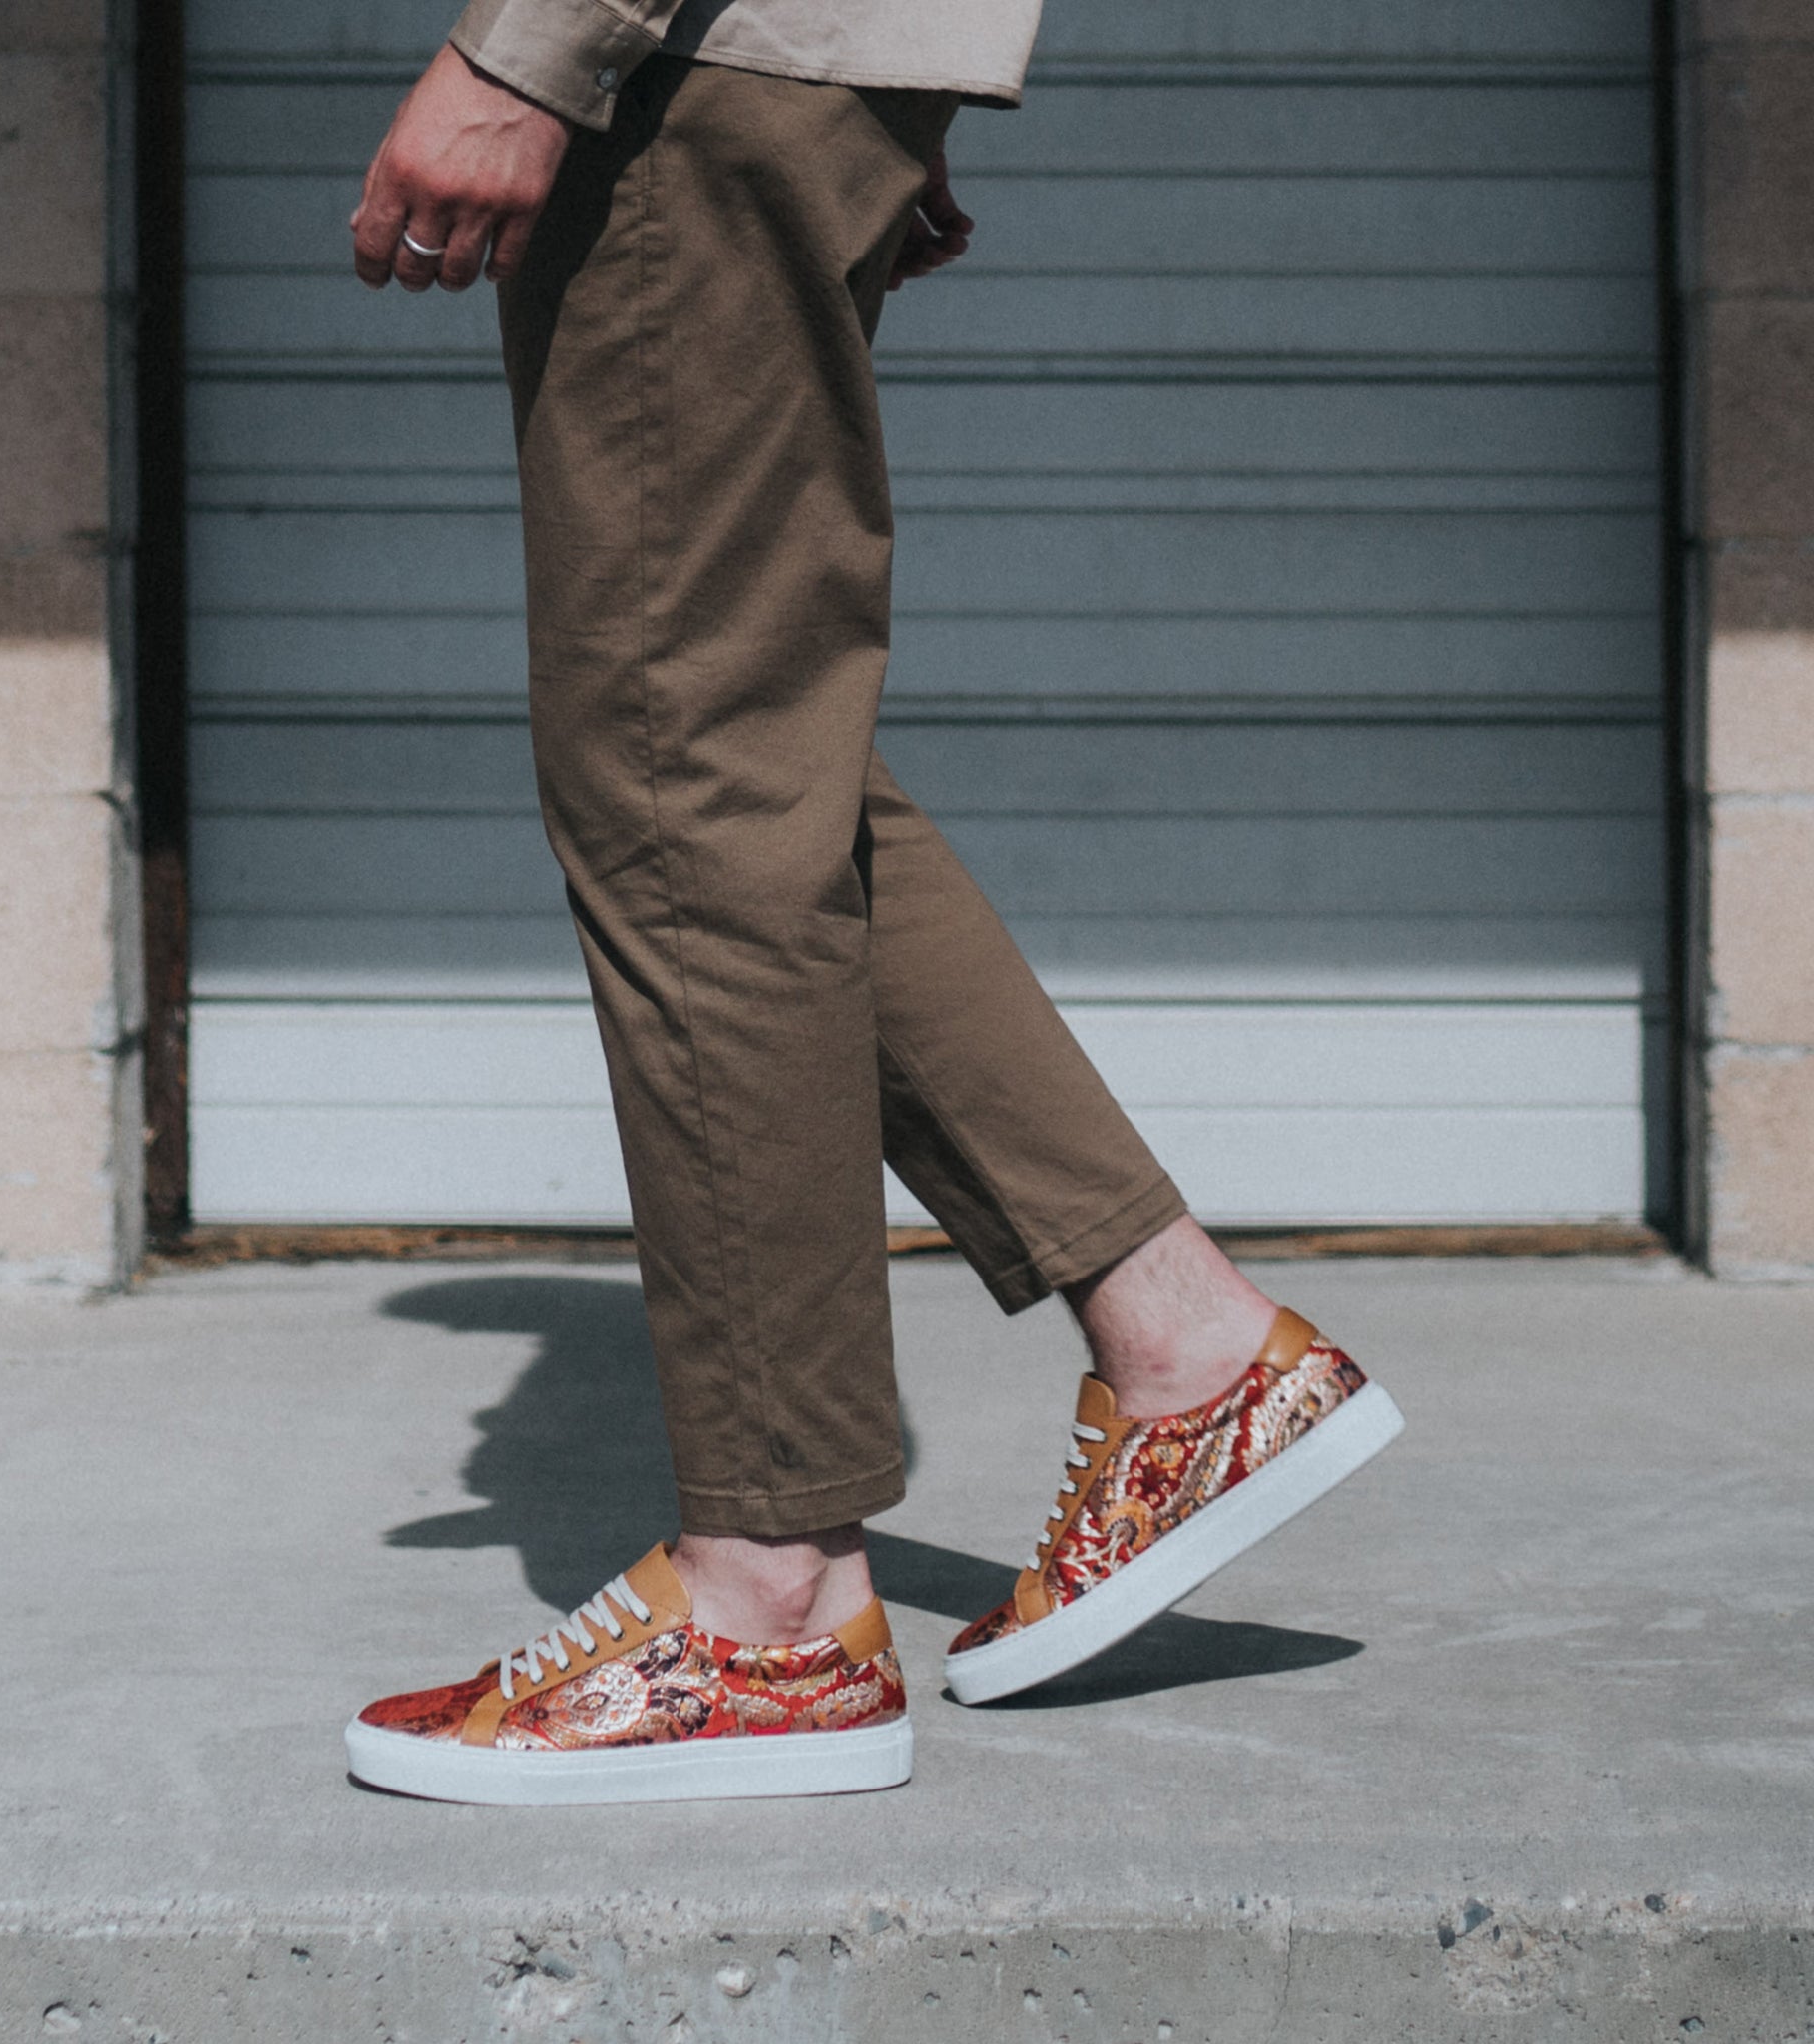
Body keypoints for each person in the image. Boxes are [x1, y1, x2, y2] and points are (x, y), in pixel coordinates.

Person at [341, 0, 1403, 1806]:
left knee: (685, 756)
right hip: (789, 63)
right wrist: (905, 78)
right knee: (747, 750)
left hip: (699, 71)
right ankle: (1187, 1346)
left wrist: (535, 42)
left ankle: (769, 1607)